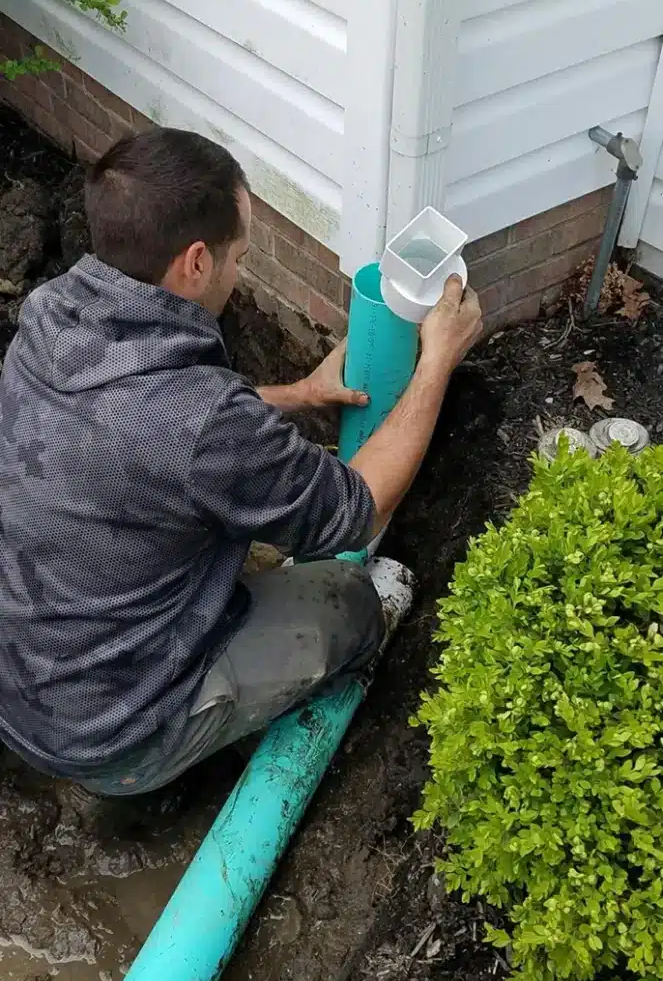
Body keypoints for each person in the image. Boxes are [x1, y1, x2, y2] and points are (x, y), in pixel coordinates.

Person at [0, 128, 483, 797]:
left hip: (24, 681)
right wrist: (436, 361)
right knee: (345, 602)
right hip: (113, 735)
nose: (239, 272)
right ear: (195, 262)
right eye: (240, 257)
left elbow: (143, 426)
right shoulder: (200, 423)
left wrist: (301, 394)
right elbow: (359, 508)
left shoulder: (50, 319)